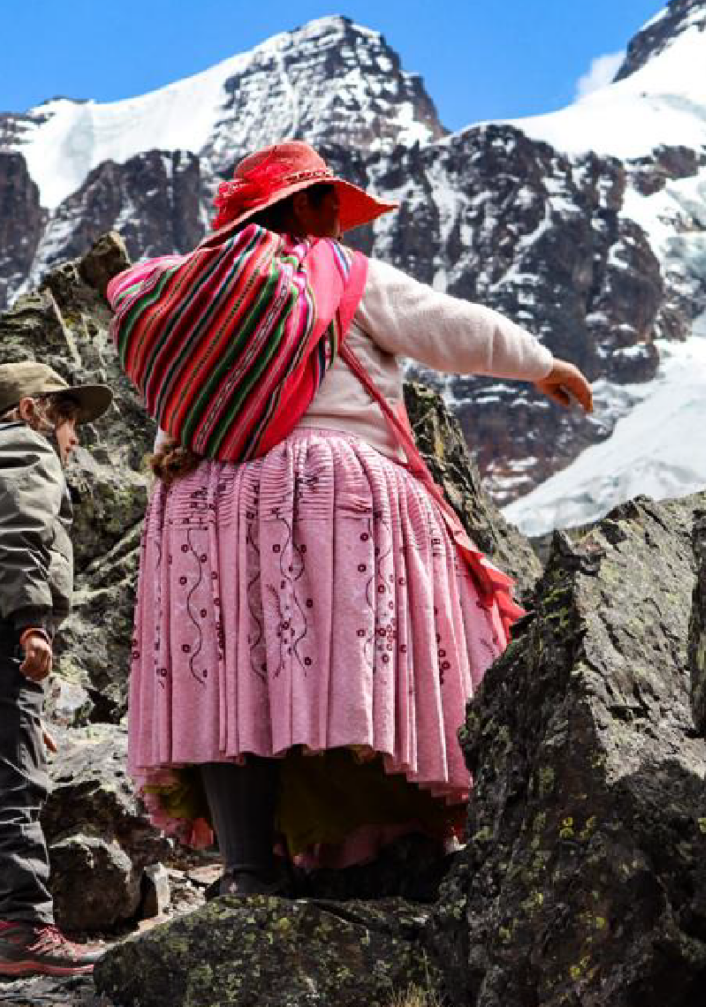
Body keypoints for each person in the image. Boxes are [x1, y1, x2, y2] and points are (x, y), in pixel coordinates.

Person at [116, 141, 593, 896]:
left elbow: (183, 414)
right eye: (329, 203)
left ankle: (248, 869)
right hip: (328, 493)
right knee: (354, 662)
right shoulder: (335, 272)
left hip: (199, 501)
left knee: (240, 676)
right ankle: (395, 845)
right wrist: (542, 362)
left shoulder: (199, 296)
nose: (339, 220)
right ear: (302, 207)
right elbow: (446, 325)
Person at [0, 362, 112, 975]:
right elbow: (19, 533)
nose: (74, 436)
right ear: (31, 410)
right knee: (14, 783)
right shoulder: (25, 446)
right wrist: (30, 622)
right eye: (68, 416)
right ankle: (24, 929)